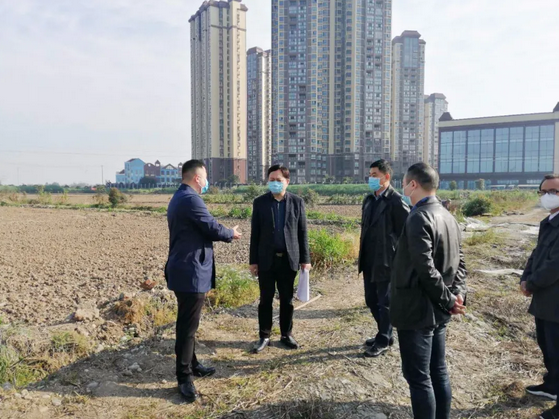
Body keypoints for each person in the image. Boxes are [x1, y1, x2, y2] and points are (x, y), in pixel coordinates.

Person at [391, 162, 467, 419]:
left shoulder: (419, 216)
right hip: (439, 307)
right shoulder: (447, 215)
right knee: (438, 371)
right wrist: (457, 294)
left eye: (404, 184)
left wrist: (450, 300)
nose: (403, 189)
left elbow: (425, 268)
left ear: (413, 184)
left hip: (418, 309)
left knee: (419, 377)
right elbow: (460, 262)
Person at [165, 160, 241, 403]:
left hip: (184, 269)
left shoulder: (180, 196)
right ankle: (184, 378)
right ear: (197, 178)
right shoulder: (191, 199)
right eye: (205, 176)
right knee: (187, 328)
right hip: (190, 272)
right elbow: (211, 227)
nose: (207, 181)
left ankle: (193, 364)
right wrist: (231, 233)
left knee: (189, 324)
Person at [249, 165, 311, 353]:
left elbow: (302, 232)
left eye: (278, 180)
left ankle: (286, 334)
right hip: (266, 259)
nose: (274, 183)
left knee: (287, 300)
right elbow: (255, 234)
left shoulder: (297, 202)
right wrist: (253, 261)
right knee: (265, 299)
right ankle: (264, 335)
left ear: (287, 182)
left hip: (288, 259)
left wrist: (305, 259)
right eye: (271, 180)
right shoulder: (260, 202)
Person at [358, 159, 409, 357]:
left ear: (386, 177)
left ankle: (383, 339)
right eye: (369, 175)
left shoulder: (396, 201)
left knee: (384, 302)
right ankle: (386, 334)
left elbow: (406, 233)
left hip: (387, 261)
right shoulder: (369, 200)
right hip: (369, 259)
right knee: (371, 300)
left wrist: (399, 259)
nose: (370, 178)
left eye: (374, 175)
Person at [520, 174, 559, 419]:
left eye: (553, 191)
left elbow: (555, 264)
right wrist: (525, 278)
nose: (547, 196)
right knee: (547, 345)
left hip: (555, 300)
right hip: (545, 299)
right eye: (543, 192)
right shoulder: (549, 222)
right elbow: (536, 254)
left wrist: (532, 283)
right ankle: (552, 385)